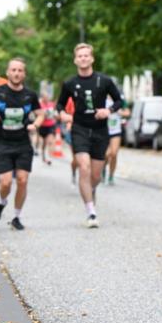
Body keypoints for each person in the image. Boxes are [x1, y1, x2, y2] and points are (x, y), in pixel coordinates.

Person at [55, 43, 123, 228]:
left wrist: (108, 111)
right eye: (80, 56)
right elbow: (60, 104)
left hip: (100, 131)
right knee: (83, 167)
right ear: (75, 60)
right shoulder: (70, 83)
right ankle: (91, 212)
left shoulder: (104, 80)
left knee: (95, 175)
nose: (83, 59)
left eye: (87, 56)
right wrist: (62, 114)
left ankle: (91, 189)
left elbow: (119, 101)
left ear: (92, 58)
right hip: (80, 129)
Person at [0, 58, 43, 230]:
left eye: (20, 70)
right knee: (6, 183)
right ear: (7, 73)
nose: (16, 73)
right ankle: (2, 202)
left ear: (24, 74)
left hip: (23, 144)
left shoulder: (30, 95)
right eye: (13, 70)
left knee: (22, 180)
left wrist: (35, 125)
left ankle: (16, 217)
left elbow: (41, 114)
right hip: (2, 143)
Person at [104, 96, 128, 185]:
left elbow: (127, 112)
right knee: (105, 154)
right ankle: (103, 167)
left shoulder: (119, 98)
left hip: (116, 130)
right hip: (104, 130)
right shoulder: (102, 97)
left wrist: (120, 112)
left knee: (114, 153)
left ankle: (111, 175)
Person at [37, 93, 57, 165]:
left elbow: (55, 113)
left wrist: (55, 115)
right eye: (45, 97)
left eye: (47, 97)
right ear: (42, 98)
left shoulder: (51, 104)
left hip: (50, 125)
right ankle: (44, 156)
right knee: (43, 143)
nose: (46, 98)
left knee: (50, 141)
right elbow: (37, 113)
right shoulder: (39, 104)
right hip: (42, 125)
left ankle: (49, 157)